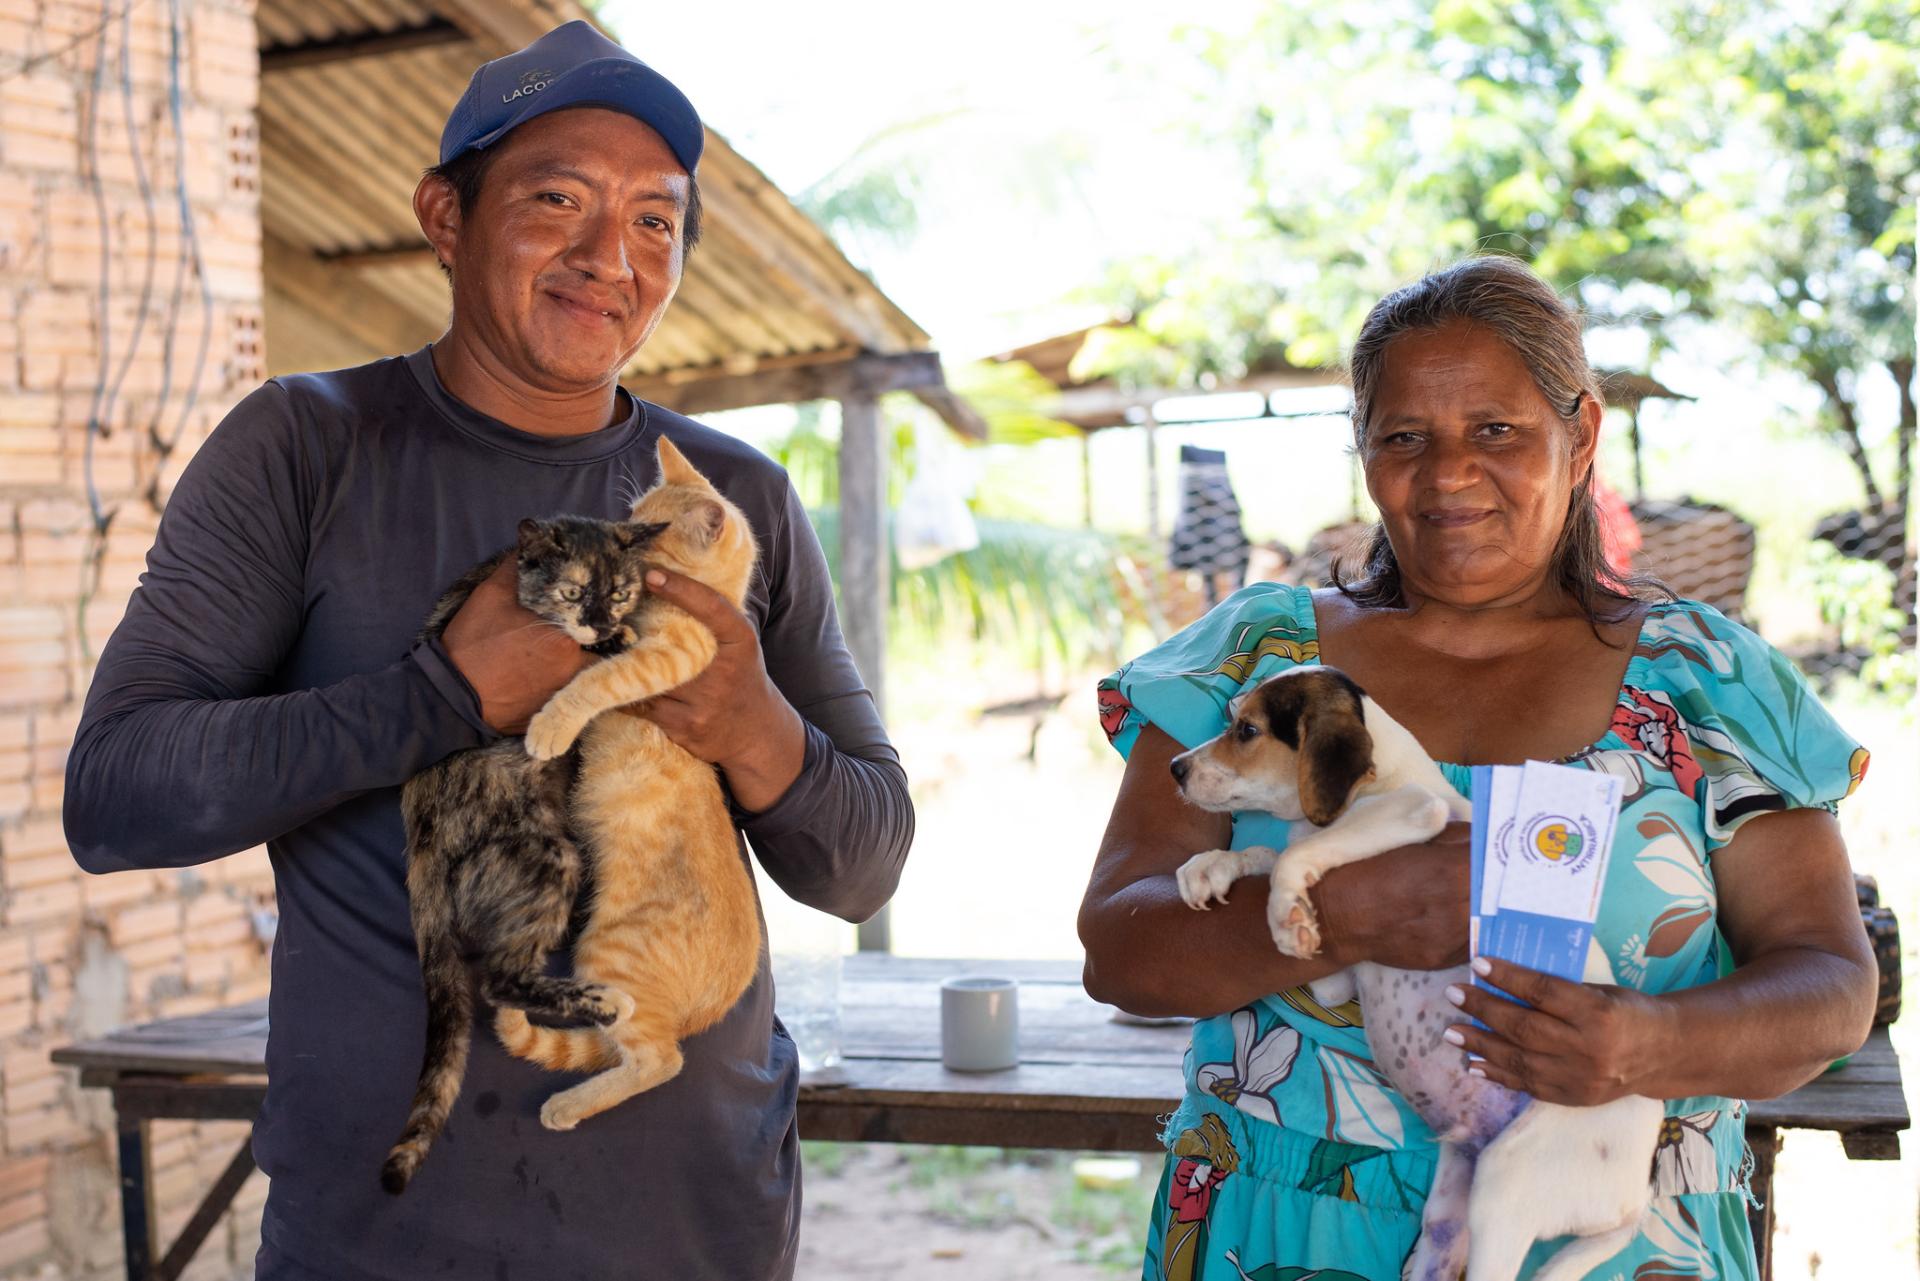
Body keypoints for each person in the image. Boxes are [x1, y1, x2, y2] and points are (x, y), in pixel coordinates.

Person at [63, 22, 912, 1281]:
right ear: (445, 217)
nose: (605, 257)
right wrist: (442, 695)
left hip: (699, 1224)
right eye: (556, 200)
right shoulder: (309, 445)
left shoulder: (731, 499)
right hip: (390, 1231)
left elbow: (864, 863)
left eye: (653, 222)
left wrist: (749, 726)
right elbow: (117, 795)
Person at [1079, 255, 1877, 1281]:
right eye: (1404, 437)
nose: (1448, 474)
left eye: (1495, 431)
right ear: (1364, 455)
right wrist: (1355, 909)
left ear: (1580, 435)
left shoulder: (1707, 682)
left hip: (1618, 1244)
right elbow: (1119, 950)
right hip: (1283, 1235)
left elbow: (1830, 990)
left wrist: (1641, 1043)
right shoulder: (1258, 662)